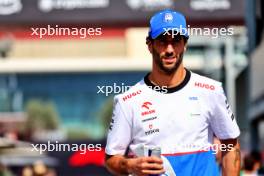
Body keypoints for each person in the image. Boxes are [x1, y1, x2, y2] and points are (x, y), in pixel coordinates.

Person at [105, 9, 241, 176]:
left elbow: (231, 144)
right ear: (150, 45)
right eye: (163, 41)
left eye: (176, 40)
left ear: (185, 44)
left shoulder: (211, 90)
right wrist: (130, 166)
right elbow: (111, 158)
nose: (169, 49)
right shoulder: (127, 100)